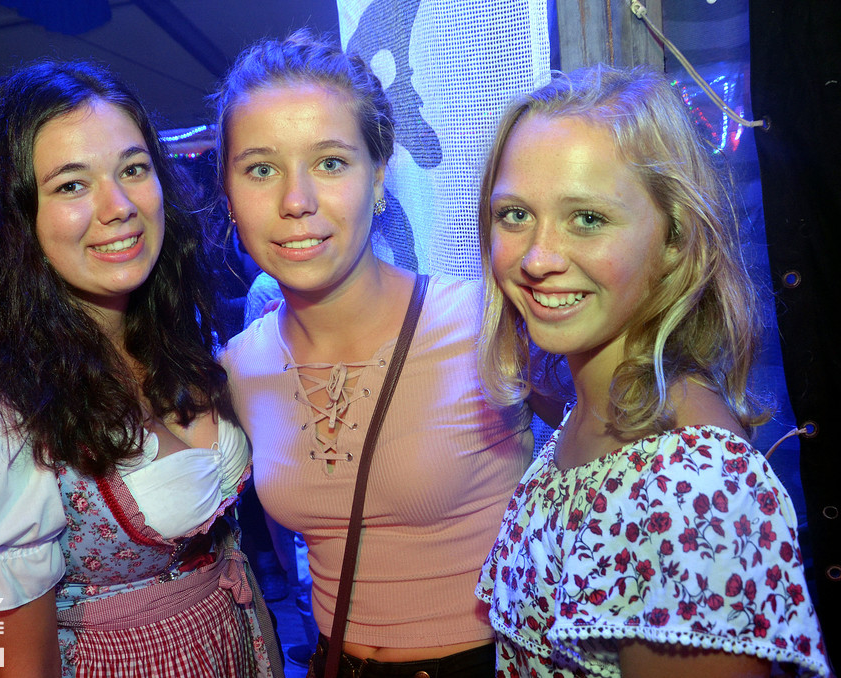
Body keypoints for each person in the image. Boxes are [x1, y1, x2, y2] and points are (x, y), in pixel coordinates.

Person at [0, 60, 278, 678]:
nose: (118, 206)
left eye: (133, 169)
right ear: (18, 217)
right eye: (72, 185)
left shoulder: (176, 336)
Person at [474, 64, 831, 677]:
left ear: (674, 241)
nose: (537, 257)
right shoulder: (591, 411)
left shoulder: (695, 490)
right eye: (514, 214)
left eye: (587, 218)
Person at [216, 32, 537, 677]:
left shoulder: (486, 321)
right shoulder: (241, 366)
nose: (296, 201)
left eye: (331, 162)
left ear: (380, 174)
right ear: (228, 193)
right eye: (261, 169)